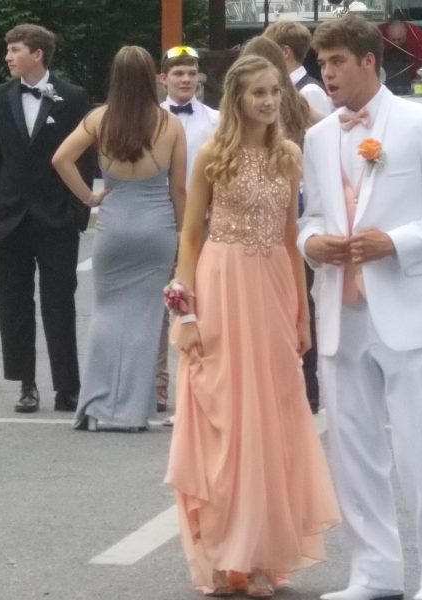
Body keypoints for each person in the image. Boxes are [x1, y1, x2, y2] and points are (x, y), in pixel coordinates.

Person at [299, 14, 422, 600]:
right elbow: (311, 217)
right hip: (341, 312)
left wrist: (395, 242)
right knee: (354, 453)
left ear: (369, 61)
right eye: (322, 64)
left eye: (337, 63)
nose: (327, 75)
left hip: (409, 310)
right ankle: (373, 573)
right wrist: (311, 244)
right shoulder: (318, 137)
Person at [165, 54, 340, 597]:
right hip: (221, 287)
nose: (268, 101)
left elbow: (290, 239)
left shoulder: (289, 154)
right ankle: (226, 554)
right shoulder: (212, 154)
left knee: (272, 418)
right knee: (226, 416)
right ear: (236, 99)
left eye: (273, 92)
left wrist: (303, 314)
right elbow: (189, 237)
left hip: (272, 288)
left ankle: (263, 552)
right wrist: (186, 313)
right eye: (257, 92)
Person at [52, 45, 186, 431]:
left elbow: (60, 159)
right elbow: (179, 189)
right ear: (151, 78)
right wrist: (183, 234)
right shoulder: (169, 125)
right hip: (156, 227)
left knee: (107, 315)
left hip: (115, 223)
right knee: (146, 321)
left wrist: (89, 197)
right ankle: (132, 410)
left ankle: (98, 406)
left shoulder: (100, 119)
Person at [0, 24, 94, 414]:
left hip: (56, 218)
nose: (8, 57)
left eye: (15, 50)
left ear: (37, 54)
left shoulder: (73, 97)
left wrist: (78, 210)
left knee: (59, 302)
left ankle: (67, 386)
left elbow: (85, 158)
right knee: (14, 304)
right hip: (7, 218)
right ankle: (26, 384)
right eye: (8, 50)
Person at [240, 35, 324, 412]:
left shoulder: (254, 105)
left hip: (256, 206)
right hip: (294, 200)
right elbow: (328, 127)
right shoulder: (296, 101)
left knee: (258, 302)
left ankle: (263, 383)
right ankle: (307, 385)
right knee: (299, 295)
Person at [156, 45, 220, 419]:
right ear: (163, 78)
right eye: (178, 73)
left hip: (204, 220)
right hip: (162, 217)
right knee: (160, 304)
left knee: (200, 302)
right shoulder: (153, 118)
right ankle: (157, 385)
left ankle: (201, 385)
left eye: (191, 73)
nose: (185, 80)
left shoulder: (216, 120)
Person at [263, 20, 334, 116]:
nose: (265, 57)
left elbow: (324, 125)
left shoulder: (310, 91)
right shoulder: (297, 89)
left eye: (269, 50)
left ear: (285, 52)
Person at [378, 19, 422, 95]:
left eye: (399, 40)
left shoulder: (416, 36)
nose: (396, 43)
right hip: (386, 70)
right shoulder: (378, 34)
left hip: (411, 71)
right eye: (393, 40)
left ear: (406, 33)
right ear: (387, 33)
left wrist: (417, 90)